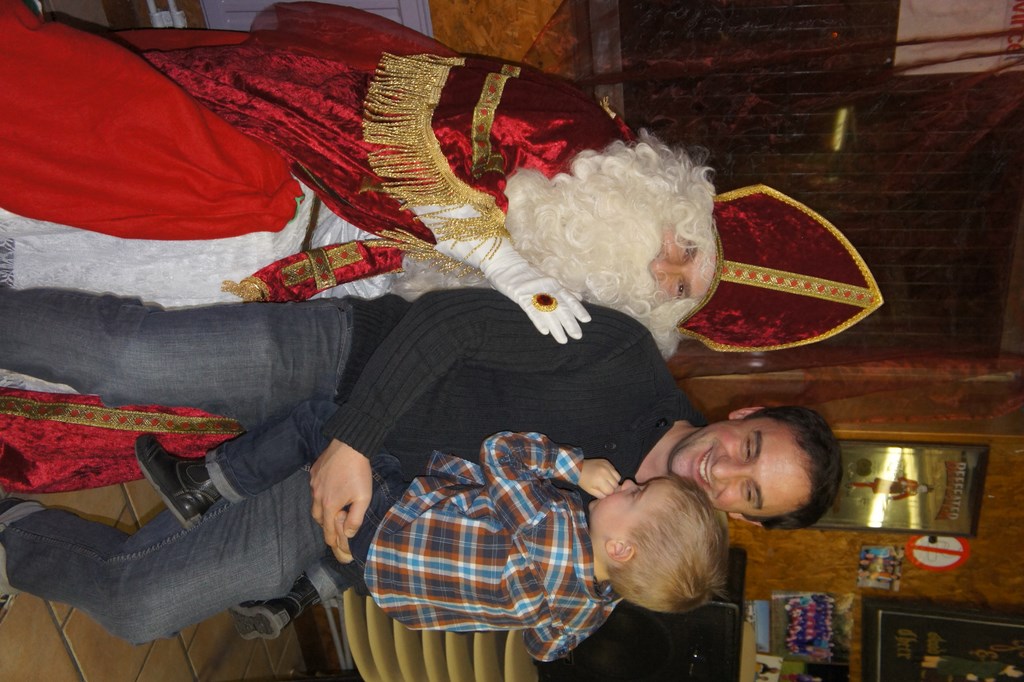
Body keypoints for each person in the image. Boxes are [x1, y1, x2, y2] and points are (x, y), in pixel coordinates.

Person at [0, 0, 881, 356]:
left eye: (679, 291)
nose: (661, 273)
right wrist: (501, 262)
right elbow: (407, 129)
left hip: (325, 276)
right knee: (108, 153)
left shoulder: (579, 298)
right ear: (678, 203)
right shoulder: (577, 137)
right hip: (295, 166)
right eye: (687, 252)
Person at [0, 288, 842, 535]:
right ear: (747, 410)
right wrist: (353, 441)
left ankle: (18, 532)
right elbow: (451, 320)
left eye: (749, 492)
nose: (724, 470)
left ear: (744, 519)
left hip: (353, 491)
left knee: (150, 607)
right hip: (348, 363)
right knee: (128, 360)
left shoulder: (628, 541)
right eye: (750, 445)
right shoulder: (623, 355)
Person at [0, 430, 728, 660]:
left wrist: (574, 467)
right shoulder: (586, 611)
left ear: (623, 550)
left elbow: (502, 453)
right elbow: (546, 648)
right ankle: (296, 594)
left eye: (634, 494)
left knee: (314, 442)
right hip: (389, 585)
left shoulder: (553, 528)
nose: (625, 480)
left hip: (384, 511)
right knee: (146, 601)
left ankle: (209, 484)